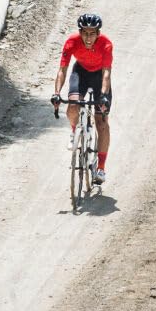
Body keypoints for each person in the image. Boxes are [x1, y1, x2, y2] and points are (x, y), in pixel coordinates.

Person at [52, 12, 113, 184]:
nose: (88, 37)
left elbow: (106, 73)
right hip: (81, 73)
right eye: (85, 33)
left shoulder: (106, 44)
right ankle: (74, 131)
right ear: (80, 32)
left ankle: (101, 168)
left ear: (98, 33)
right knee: (72, 104)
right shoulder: (71, 42)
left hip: (99, 76)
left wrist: (103, 96)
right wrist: (57, 93)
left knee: (102, 122)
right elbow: (62, 70)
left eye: (92, 33)